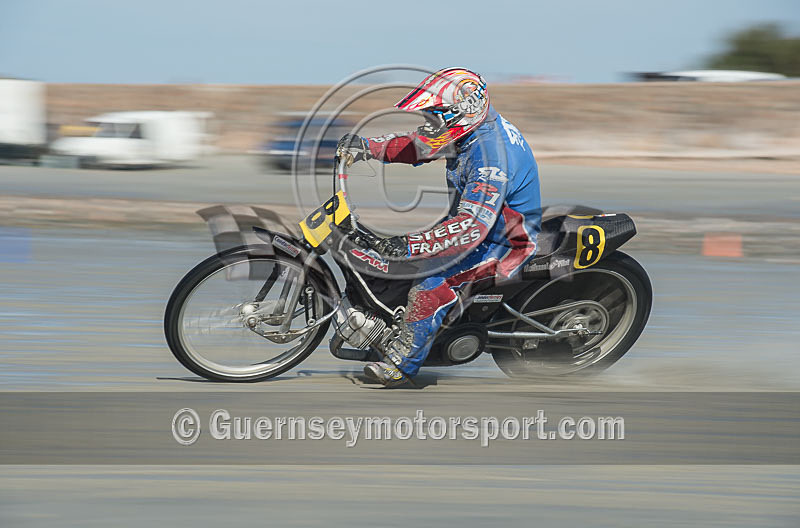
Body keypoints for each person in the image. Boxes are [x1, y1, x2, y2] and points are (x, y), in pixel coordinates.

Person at [336, 67, 541, 387]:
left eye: (435, 117)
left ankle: (402, 365)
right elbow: (419, 145)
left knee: (431, 283)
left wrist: (411, 245)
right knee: (395, 258)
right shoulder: (469, 130)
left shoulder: (492, 158)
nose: (430, 124)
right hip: (476, 224)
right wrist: (367, 147)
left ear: (462, 112)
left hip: (503, 243)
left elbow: (471, 229)